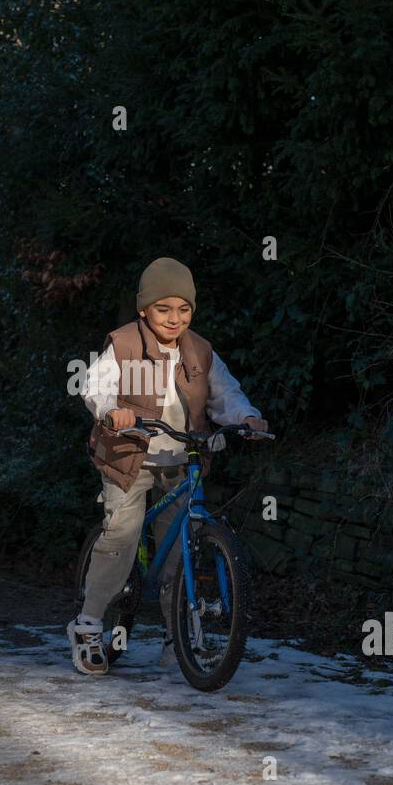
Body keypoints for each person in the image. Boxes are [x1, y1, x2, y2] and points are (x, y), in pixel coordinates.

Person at [69, 257, 267, 675]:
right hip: (130, 457)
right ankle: (87, 626)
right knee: (120, 537)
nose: (174, 318)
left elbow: (225, 394)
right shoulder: (123, 344)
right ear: (144, 309)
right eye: (163, 309)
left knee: (181, 551)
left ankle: (178, 634)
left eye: (184, 309)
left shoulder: (200, 351)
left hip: (183, 458)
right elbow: (96, 387)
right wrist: (111, 411)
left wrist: (245, 417)